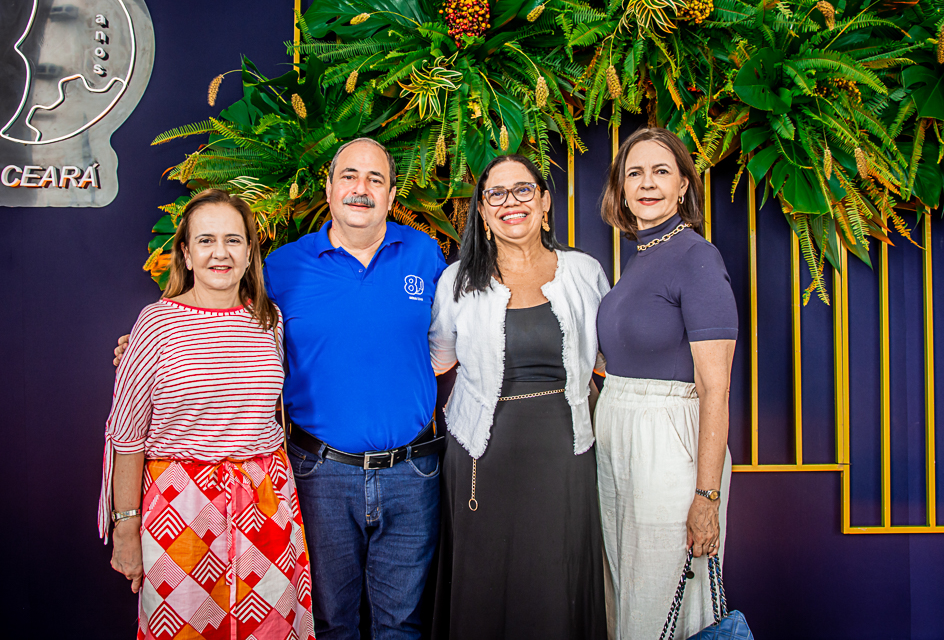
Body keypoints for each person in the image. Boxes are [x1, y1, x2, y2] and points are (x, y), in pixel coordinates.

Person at [117, 139, 449, 638]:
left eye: (375, 179)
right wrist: (145, 347)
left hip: (411, 473)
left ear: (392, 192)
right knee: (331, 620)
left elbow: (445, 342)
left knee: (402, 623)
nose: (361, 189)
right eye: (349, 177)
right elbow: (220, 326)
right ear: (330, 188)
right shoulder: (284, 268)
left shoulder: (425, 255)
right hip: (320, 474)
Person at [100, 190, 315, 640]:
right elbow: (127, 438)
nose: (221, 252)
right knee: (185, 629)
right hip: (180, 508)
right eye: (206, 240)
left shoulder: (268, 321)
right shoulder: (155, 324)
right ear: (186, 252)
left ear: (251, 251)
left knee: (270, 628)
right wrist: (125, 528)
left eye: (234, 240)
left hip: (266, 503)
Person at [428, 154, 610, 639]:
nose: (511, 202)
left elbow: (607, 360)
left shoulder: (584, 273)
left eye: (524, 190)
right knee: (485, 587)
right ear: (483, 212)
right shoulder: (457, 281)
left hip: (565, 454)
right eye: (496, 194)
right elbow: (439, 357)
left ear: (545, 201)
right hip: (481, 457)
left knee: (555, 581)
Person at [593, 127, 737, 639]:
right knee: (627, 593)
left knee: (663, 601)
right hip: (618, 439)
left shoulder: (697, 257)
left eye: (661, 172)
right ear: (621, 188)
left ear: (683, 187)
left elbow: (714, 388)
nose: (647, 183)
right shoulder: (639, 258)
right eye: (635, 173)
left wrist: (706, 496)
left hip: (667, 445)